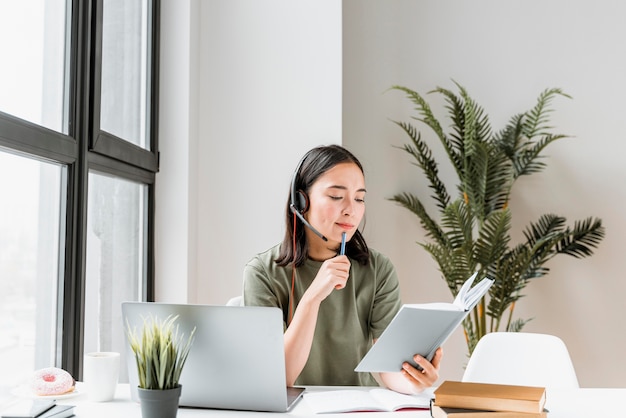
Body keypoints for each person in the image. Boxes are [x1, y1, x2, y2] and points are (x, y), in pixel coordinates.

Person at [243, 144, 442, 394]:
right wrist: (313, 297)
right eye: (336, 196)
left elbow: (389, 370)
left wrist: (414, 381)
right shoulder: (261, 273)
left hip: (359, 409)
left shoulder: (378, 269)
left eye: (359, 198)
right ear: (301, 201)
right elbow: (278, 377)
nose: (351, 209)